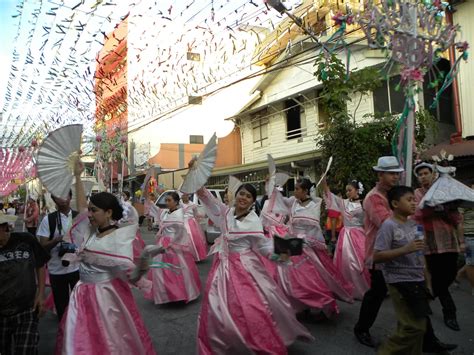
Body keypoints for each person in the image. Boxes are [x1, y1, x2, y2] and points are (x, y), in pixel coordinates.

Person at [196, 181, 313, 354]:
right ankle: (224, 342)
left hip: (244, 269)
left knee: (252, 308)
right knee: (218, 308)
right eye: (241, 194)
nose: (243, 198)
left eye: (248, 196)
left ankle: (253, 341)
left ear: (252, 202)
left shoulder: (254, 222)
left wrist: (288, 249)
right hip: (222, 268)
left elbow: (263, 247)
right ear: (236, 196)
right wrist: (197, 180)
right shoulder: (225, 212)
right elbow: (208, 200)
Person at [55, 158, 156, 354]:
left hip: (107, 300)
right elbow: (82, 206)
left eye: (94, 211)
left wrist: (144, 264)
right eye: (90, 210)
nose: (89, 214)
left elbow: (132, 277)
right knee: (80, 342)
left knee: (110, 343)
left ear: (109, 212)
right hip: (81, 296)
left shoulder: (120, 239)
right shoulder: (89, 231)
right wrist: (77, 174)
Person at [263, 178, 350, 316]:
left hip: (309, 246)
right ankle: (300, 306)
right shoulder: (293, 202)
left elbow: (332, 205)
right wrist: (271, 185)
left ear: (305, 191)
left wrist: (325, 186)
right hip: (293, 244)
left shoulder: (316, 203)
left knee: (309, 279)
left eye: (297, 189)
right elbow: (279, 200)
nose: (294, 191)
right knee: (291, 278)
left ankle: (322, 303)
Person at [353, 156, 404, 346]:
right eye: (391, 173)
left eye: (397, 173)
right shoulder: (374, 197)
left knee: (410, 294)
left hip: (400, 252)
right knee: (377, 294)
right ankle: (361, 329)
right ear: (380, 174)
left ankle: (427, 337)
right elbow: (386, 224)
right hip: (380, 254)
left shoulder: (396, 194)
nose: (395, 177)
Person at [414, 162, 463, 331]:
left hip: (448, 241)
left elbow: (457, 219)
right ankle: (450, 313)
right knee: (435, 276)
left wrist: (447, 209)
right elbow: (416, 215)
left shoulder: (445, 191)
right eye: (420, 174)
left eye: (426, 173)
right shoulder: (417, 194)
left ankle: (428, 298)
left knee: (449, 274)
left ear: (433, 174)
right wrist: (433, 207)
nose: (423, 176)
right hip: (429, 242)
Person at [0, 213, 49, 355]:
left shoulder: (26, 240)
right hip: (2, 312)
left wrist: (40, 295)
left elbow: (40, 264)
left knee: (26, 350)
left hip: (26, 308)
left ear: (4, 227)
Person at [144, 190, 201, 304]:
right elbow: (155, 209)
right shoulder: (165, 212)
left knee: (176, 270)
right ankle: (165, 293)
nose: (167, 202)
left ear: (176, 202)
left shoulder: (178, 214)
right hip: (163, 243)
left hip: (173, 245)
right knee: (160, 270)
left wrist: (173, 244)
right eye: (166, 200)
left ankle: (178, 294)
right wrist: (147, 199)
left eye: (169, 200)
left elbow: (180, 232)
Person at [322, 178, 370, 300]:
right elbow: (330, 196)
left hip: (359, 234)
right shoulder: (343, 203)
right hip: (346, 235)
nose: (347, 192)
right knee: (345, 262)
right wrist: (324, 183)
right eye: (346, 191)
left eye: (350, 190)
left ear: (357, 190)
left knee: (361, 261)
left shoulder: (364, 204)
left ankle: (364, 288)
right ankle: (348, 287)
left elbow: (368, 221)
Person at [37, 190, 80, 321]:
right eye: (58, 195)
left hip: (77, 268)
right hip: (56, 270)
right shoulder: (48, 219)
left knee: (79, 305)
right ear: (54, 199)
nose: (62, 198)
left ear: (71, 197)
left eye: (65, 194)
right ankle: (64, 332)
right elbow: (42, 246)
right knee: (62, 307)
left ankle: (78, 332)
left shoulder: (79, 217)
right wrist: (57, 240)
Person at [120, 191, 146, 263]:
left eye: (124, 195)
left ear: (128, 197)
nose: (122, 197)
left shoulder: (128, 205)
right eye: (121, 195)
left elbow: (126, 217)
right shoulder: (124, 205)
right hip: (126, 228)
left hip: (129, 229)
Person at [181, 193, 207, 262]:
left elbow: (196, 214)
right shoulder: (180, 205)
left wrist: (202, 216)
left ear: (188, 196)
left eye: (186, 195)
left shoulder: (193, 205)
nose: (184, 197)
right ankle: (184, 257)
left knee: (194, 238)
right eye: (183, 196)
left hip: (191, 223)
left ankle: (196, 256)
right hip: (182, 222)